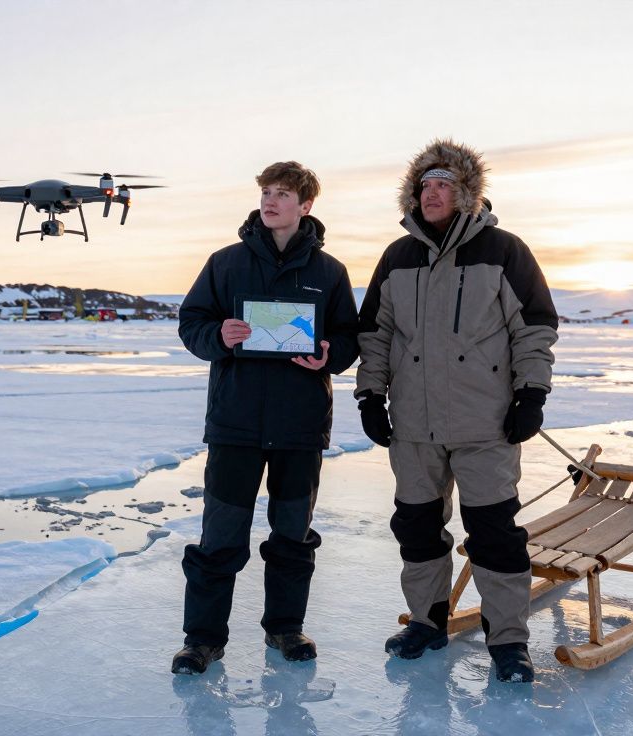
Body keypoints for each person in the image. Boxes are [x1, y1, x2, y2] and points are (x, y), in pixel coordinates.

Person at [355, 139, 558, 683]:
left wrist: (530, 394)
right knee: (418, 529)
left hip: (486, 424)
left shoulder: (504, 250)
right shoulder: (398, 258)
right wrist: (370, 395)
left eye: (444, 185)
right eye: (424, 185)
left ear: (467, 195)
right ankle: (427, 621)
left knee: (494, 533)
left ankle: (508, 639)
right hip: (415, 427)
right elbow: (375, 334)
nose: (432, 193)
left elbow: (534, 329)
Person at [173, 161, 360, 675]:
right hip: (235, 425)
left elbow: (348, 336)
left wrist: (330, 355)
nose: (270, 201)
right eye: (266, 192)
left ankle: (285, 628)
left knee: (292, 536)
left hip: (299, 427)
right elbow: (192, 322)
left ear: (306, 206)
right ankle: (202, 640)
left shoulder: (329, 272)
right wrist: (219, 337)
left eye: (283, 193)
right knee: (220, 538)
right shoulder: (226, 263)